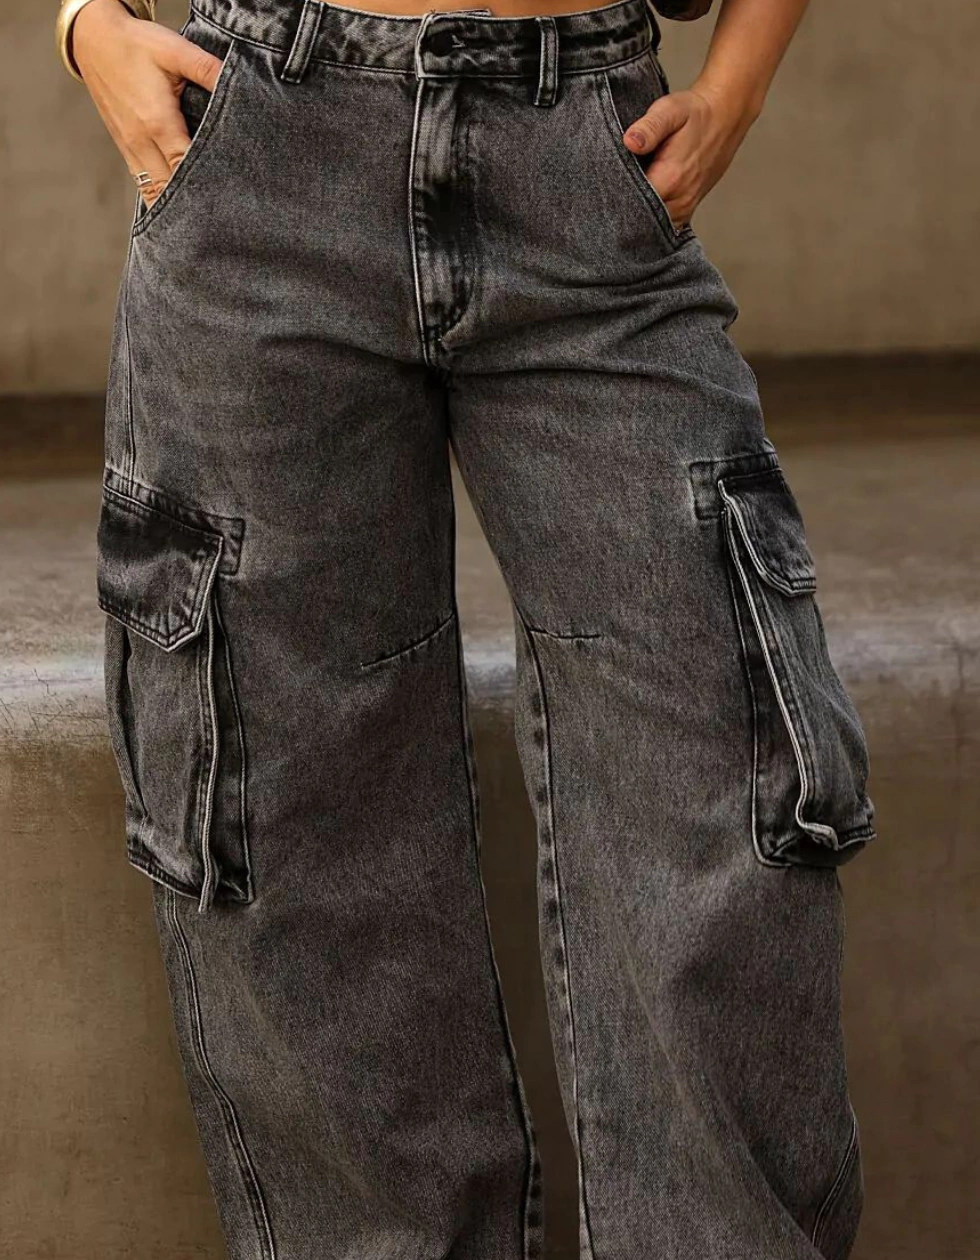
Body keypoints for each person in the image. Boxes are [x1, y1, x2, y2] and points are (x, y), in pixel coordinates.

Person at [59, 0, 877, 1255]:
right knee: (286, 817)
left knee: (727, 781)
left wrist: (739, 82)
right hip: (261, 149)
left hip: (584, 164)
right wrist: (84, 23)